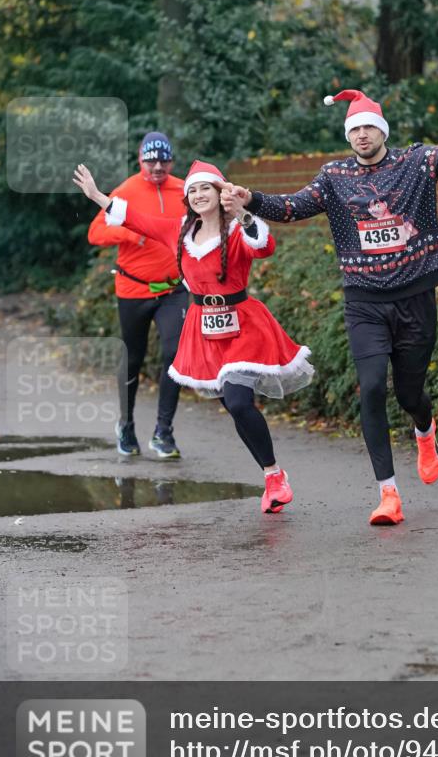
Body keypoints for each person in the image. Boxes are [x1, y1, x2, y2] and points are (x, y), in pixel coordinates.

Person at [221, 89, 438, 526]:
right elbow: (293, 207)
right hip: (364, 302)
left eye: (369, 127)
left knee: (409, 393)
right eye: (354, 129)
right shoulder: (334, 178)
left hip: (414, 297)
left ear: (382, 130)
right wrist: (251, 199)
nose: (362, 135)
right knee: (370, 387)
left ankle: (425, 434)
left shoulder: (415, 163)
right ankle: (388, 494)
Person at [74, 159, 314, 515]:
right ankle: (271, 475)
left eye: (206, 188)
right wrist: (97, 196)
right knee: (233, 406)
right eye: (193, 190)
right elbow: (138, 220)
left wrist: (245, 213)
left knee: (236, 401)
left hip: (243, 325)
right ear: (188, 199)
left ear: (220, 193)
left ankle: (275, 478)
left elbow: (264, 247)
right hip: (204, 329)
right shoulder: (180, 232)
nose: (199, 195)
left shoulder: (236, 230)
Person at [87, 132, 187, 458]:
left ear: (171, 161)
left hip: (173, 289)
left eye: (164, 160)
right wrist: (130, 231)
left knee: (175, 354)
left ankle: (164, 432)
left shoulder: (184, 188)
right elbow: (95, 233)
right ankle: (126, 424)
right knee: (132, 359)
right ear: (140, 160)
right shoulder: (126, 191)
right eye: (150, 160)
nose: (158, 167)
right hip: (133, 289)